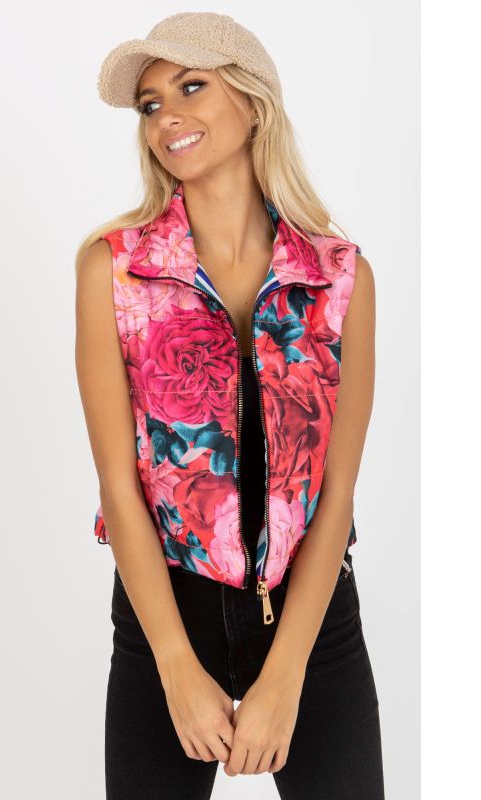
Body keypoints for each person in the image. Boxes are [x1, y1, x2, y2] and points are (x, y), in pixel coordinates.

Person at [74, 12, 384, 799]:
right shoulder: (116, 271)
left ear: (252, 101)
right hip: (165, 617)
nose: (166, 117)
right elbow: (119, 488)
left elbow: (337, 493)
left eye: (190, 87)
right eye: (150, 104)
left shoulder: (339, 278)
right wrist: (176, 668)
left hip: (313, 621)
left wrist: (286, 677)